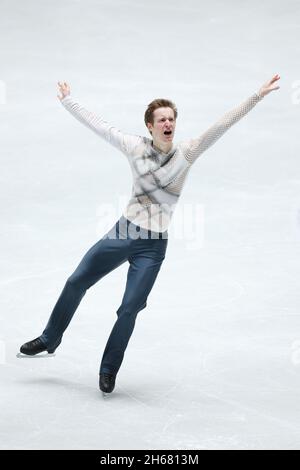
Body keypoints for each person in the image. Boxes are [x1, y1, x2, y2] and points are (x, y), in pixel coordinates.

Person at [19, 74, 280, 394]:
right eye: (162, 119)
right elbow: (100, 125)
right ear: (150, 126)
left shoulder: (188, 151)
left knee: (129, 308)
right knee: (76, 281)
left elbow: (223, 124)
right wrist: (69, 101)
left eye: (171, 118)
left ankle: (108, 369)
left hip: (153, 246)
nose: (168, 123)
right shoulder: (134, 146)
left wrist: (258, 95)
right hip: (123, 232)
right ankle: (49, 338)